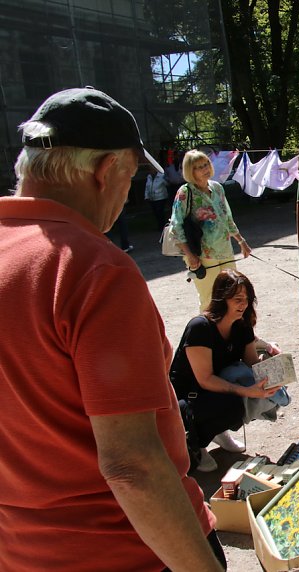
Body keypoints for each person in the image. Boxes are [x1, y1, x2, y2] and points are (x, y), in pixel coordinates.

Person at [0, 87, 224, 570]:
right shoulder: (91, 268)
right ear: (106, 171)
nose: (130, 194)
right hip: (125, 551)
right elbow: (131, 465)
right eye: (131, 178)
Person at [169, 269, 281, 472]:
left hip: (216, 387)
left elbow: (251, 364)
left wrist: (274, 367)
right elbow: (205, 380)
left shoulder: (242, 325)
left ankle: (216, 432)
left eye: (246, 299)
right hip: (188, 394)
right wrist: (247, 391)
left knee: (266, 396)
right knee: (234, 403)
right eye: (237, 298)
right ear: (222, 298)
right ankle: (197, 443)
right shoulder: (200, 327)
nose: (243, 304)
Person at [170, 149, 251, 311]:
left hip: (225, 250)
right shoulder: (185, 193)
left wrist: (241, 241)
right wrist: (189, 255)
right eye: (199, 167)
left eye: (206, 164)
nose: (205, 168)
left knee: (232, 294)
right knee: (210, 299)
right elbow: (175, 226)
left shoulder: (218, 188)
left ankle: (232, 332)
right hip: (202, 254)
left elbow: (227, 218)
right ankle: (207, 334)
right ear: (190, 171)